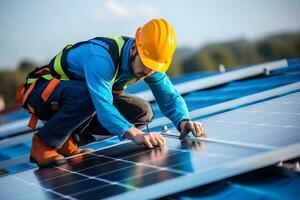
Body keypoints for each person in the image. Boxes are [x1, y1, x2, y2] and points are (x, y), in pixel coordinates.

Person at [16, 18, 206, 168]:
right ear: (134, 49)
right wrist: (135, 134)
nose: (149, 72)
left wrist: (183, 121)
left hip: (75, 96)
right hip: (44, 93)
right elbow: (104, 107)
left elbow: (169, 96)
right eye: (147, 64)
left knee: (141, 111)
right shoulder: (101, 58)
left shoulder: (148, 65)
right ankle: (44, 143)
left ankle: (68, 140)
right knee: (91, 97)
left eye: (155, 68)